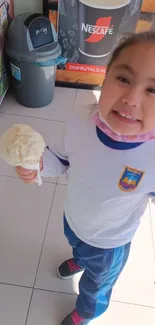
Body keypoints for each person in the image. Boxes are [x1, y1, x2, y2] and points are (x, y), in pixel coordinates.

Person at [16, 31, 155, 325]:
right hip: (75, 218)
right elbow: (61, 158)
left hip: (109, 242)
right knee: (75, 241)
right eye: (124, 79)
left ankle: (89, 310)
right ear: (105, 79)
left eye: (152, 91)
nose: (131, 98)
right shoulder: (79, 121)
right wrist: (39, 164)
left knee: (97, 283)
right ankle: (79, 256)